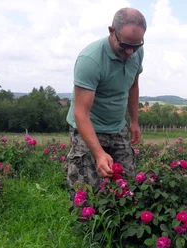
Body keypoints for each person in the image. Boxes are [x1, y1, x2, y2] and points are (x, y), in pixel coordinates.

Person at [65, 7, 146, 195]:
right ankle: (87, 224)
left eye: (136, 46)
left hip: (117, 126)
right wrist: (99, 153)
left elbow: (133, 86)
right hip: (88, 126)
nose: (130, 52)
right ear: (111, 31)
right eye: (125, 45)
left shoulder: (136, 51)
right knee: (85, 190)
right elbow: (81, 113)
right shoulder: (90, 60)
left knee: (127, 185)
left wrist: (134, 121)